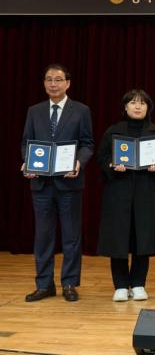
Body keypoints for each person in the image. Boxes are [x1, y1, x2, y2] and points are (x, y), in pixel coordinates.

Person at [21, 64, 94, 302]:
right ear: (44, 83)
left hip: (69, 184)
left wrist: (79, 162)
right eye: (49, 79)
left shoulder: (81, 110)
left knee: (71, 236)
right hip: (41, 185)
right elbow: (26, 143)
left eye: (58, 79)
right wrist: (27, 162)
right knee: (43, 237)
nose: (53, 84)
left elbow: (87, 144)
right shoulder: (34, 111)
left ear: (68, 83)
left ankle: (69, 284)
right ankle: (44, 285)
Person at [96, 90, 155, 302]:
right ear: (125, 107)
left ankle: (138, 284)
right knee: (118, 238)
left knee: (143, 238)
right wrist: (112, 165)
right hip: (118, 192)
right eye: (133, 102)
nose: (138, 107)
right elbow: (101, 157)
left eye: (142, 103)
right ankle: (120, 285)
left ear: (148, 107)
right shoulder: (113, 131)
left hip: (147, 193)